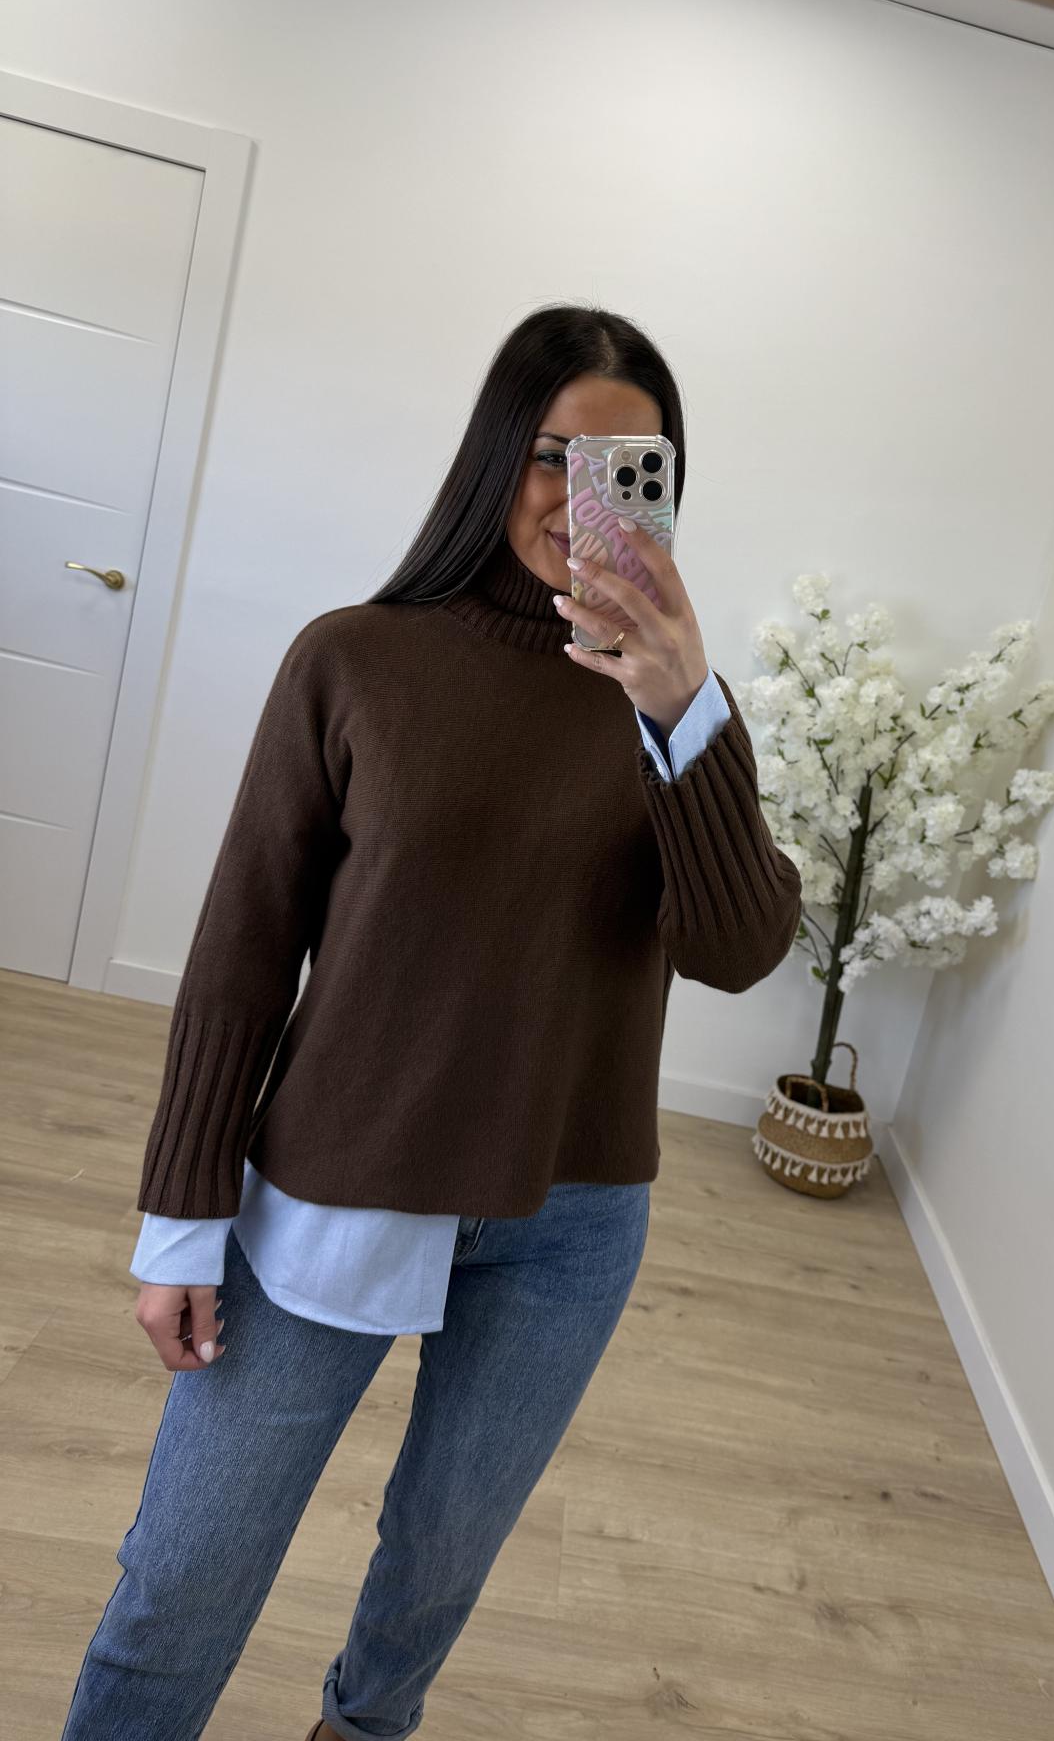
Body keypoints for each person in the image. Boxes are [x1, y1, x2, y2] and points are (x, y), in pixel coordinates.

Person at [61, 303, 803, 1740]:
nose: (579, 499)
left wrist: (681, 712)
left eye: (628, 469)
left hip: (571, 1217)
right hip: (340, 1186)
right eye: (553, 456)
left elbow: (737, 951)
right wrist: (180, 1220)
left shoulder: (673, 708)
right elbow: (239, 957)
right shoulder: (354, 660)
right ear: (492, 457)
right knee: (186, 1577)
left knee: (436, 1572)